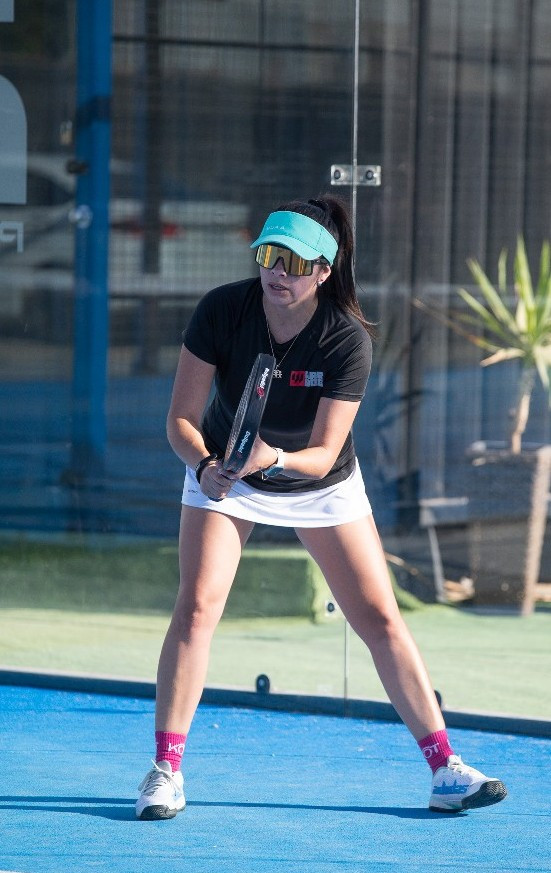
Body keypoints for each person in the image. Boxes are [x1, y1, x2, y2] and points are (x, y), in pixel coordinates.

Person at [136, 195, 507, 820]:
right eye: (268, 256)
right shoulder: (222, 310)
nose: (277, 273)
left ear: (324, 272)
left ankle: (446, 769)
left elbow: (324, 452)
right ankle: (165, 770)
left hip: (319, 484)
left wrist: (271, 458)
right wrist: (204, 467)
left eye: (295, 263)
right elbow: (181, 420)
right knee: (196, 608)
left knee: (380, 618)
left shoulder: (346, 340)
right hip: (223, 474)